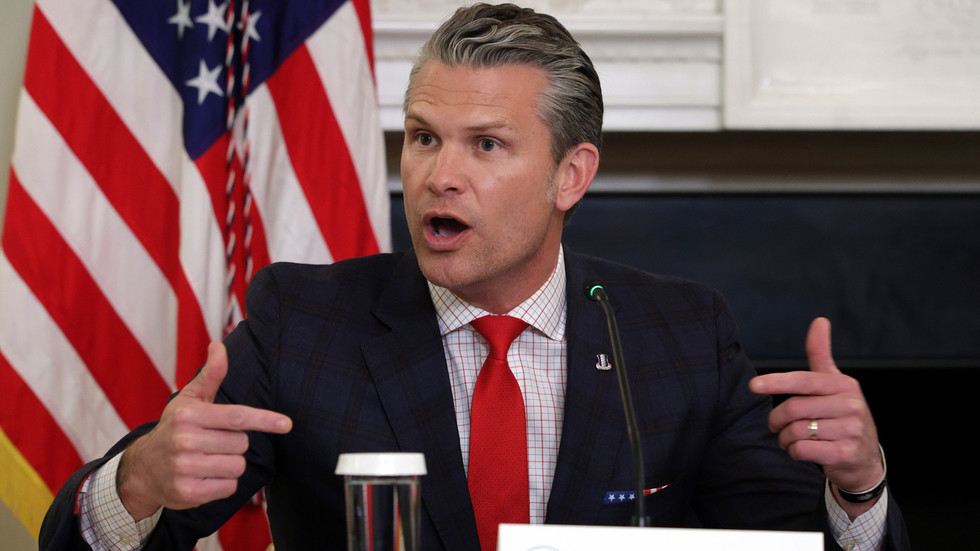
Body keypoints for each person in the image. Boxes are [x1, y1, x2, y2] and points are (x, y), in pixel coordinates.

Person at [40, 3, 910, 551]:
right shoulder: (303, 322)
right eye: (423, 137)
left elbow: (797, 538)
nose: (438, 175)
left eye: (485, 144)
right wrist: (138, 481)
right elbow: (80, 541)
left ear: (570, 174)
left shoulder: (679, 334)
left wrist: (859, 484)